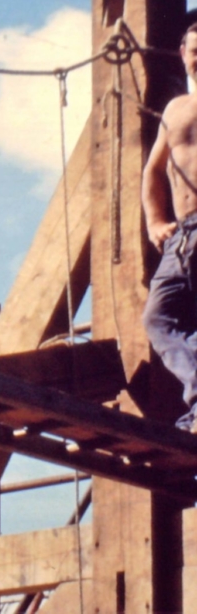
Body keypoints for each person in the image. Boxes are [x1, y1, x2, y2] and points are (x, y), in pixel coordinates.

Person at [141, 22, 197, 431]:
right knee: (158, 318)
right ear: (183, 54)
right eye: (196, 50)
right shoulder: (176, 109)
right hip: (183, 235)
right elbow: (153, 171)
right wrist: (155, 221)